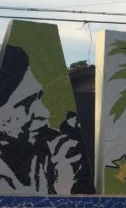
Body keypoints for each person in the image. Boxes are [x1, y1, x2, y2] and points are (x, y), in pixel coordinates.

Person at [0, 44, 91, 194]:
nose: (45, 113)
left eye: (39, 97)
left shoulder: (44, 158)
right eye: (26, 104)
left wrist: (64, 179)